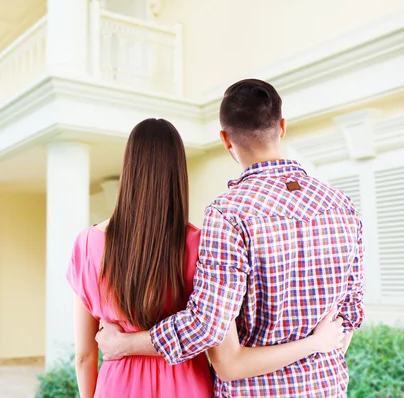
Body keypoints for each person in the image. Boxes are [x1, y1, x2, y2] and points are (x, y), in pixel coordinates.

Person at [95, 80, 365, 397]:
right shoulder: (341, 205)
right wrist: (314, 354)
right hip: (328, 389)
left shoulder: (228, 215)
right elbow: (350, 315)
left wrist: (125, 344)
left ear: (225, 139)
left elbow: (207, 327)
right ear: (282, 126)